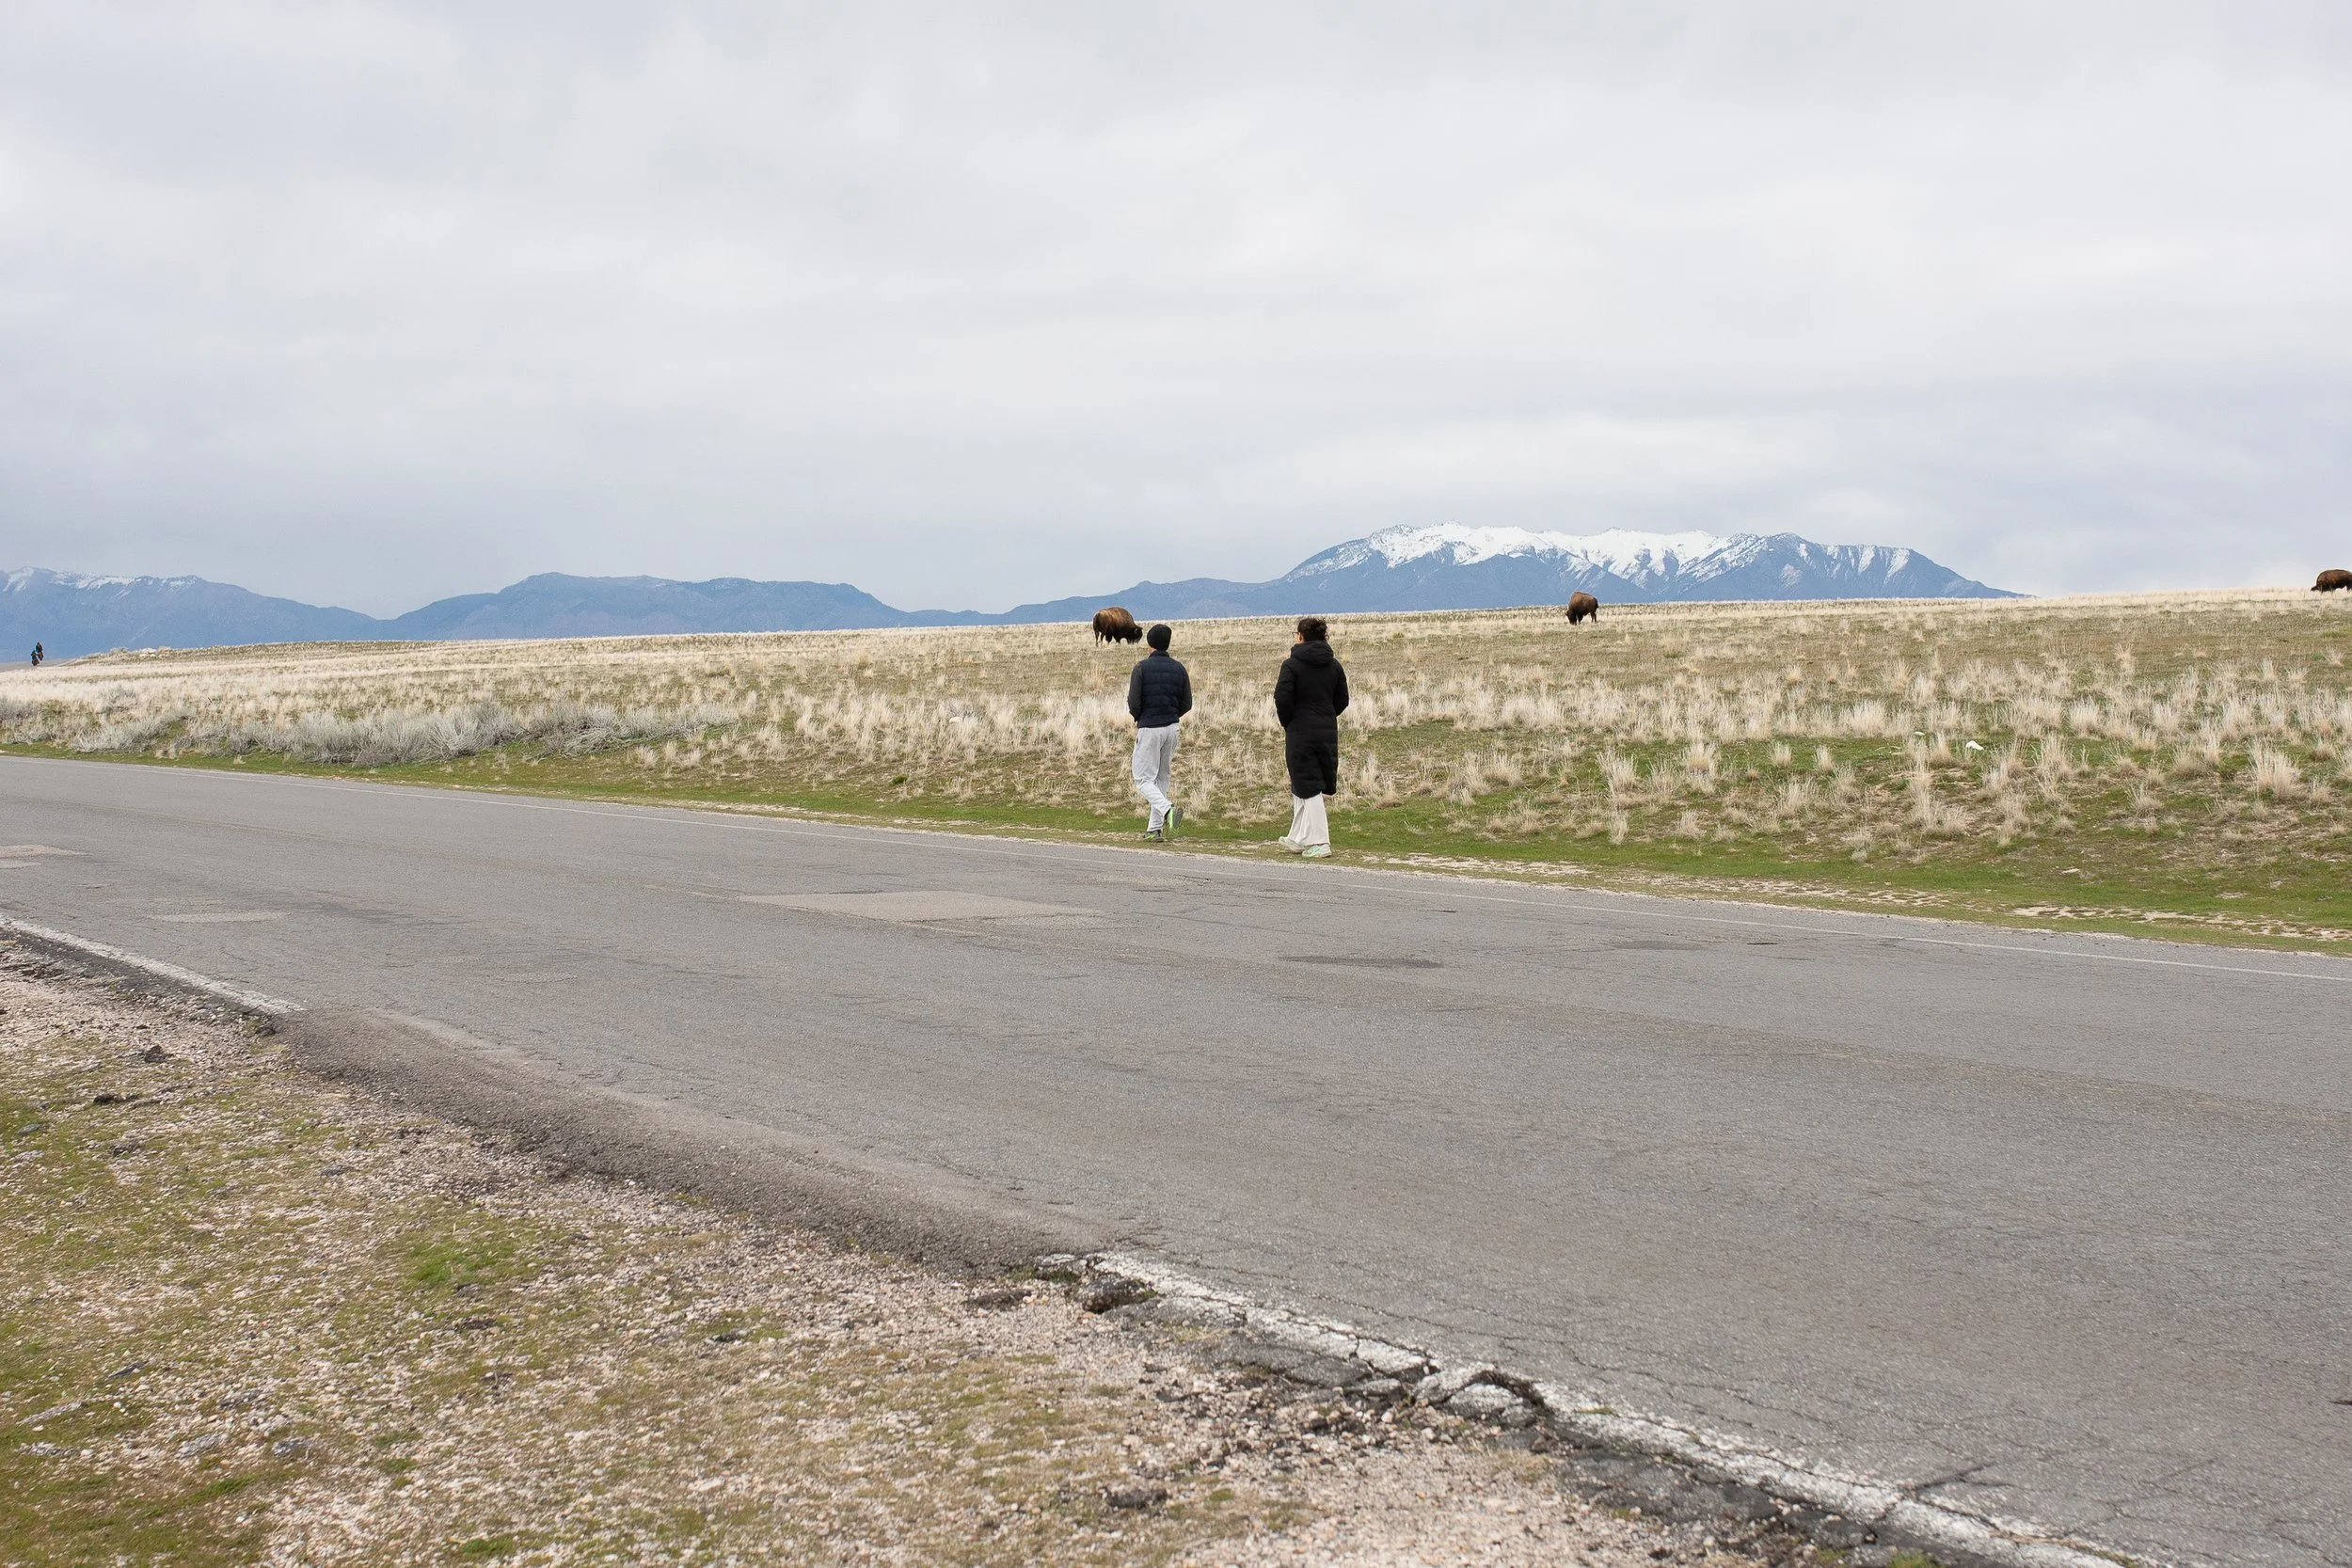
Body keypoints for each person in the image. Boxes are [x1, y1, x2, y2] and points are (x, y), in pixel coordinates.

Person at [1274, 615, 1348, 858]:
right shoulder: (1334, 665)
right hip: (1326, 728)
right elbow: (1342, 700)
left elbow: (1282, 698)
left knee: (1308, 784)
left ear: (1300, 636)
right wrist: (1326, 715)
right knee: (1302, 783)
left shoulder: (1291, 665)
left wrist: (1290, 721)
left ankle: (1321, 840)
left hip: (1300, 729)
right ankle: (1299, 836)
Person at [1125, 623, 1192, 840]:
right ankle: (1154, 829)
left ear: (1149, 643)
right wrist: (1172, 715)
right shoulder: (1179, 668)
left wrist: (1139, 716)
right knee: (1162, 777)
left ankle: (1167, 810)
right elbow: (1187, 703)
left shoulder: (1141, 668)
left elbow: (1133, 702)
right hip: (1172, 727)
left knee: (1143, 779)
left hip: (1150, 726)